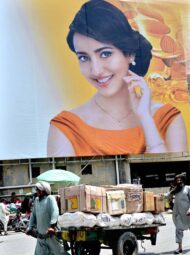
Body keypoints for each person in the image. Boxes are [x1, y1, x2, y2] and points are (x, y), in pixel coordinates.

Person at [47, 0, 188, 157]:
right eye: (83, 57)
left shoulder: (167, 118)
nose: (96, 70)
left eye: (105, 54)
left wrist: (146, 119)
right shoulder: (66, 126)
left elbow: (174, 177)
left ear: (130, 54)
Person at [26, 181, 75, 255]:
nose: (37, 191)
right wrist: (30, 227)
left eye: (39, 189)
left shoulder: (50, 199)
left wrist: (52, 226)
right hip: (40, 236)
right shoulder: (37, 201)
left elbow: (55, 212)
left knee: (60, 253)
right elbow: (33, 216)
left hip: (51, 235)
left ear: (45, 190)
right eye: (37, 190)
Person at [172, 173, 190, 254]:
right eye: (177, 180)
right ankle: (180, 248)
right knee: (178, 230)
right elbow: (168, 195)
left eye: (180, 179)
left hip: (188, 214)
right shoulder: (176, 190)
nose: (179, 181)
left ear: (183, 180)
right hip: (179, 214)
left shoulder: (188, 188)